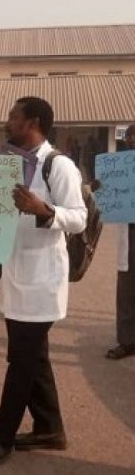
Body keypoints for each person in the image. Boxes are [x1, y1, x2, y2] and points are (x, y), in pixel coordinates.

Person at [0, 97, 86, 470]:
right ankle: (50, 428)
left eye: (13, 116)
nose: (8, 121)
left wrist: (44, 210)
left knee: (20, 360)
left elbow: (79, 218)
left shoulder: (58, 165)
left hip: (42, 279)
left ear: (31, 122)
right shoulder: (10, 163)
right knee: (35, 357)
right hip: (17, 274)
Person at [105, 124, 135, 360]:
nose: (131, 141)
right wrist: (99, 190)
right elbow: (108, 199)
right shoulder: (119, 167)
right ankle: (126, 341)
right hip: (130, 233)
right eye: (129, 138)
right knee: (126, 288)